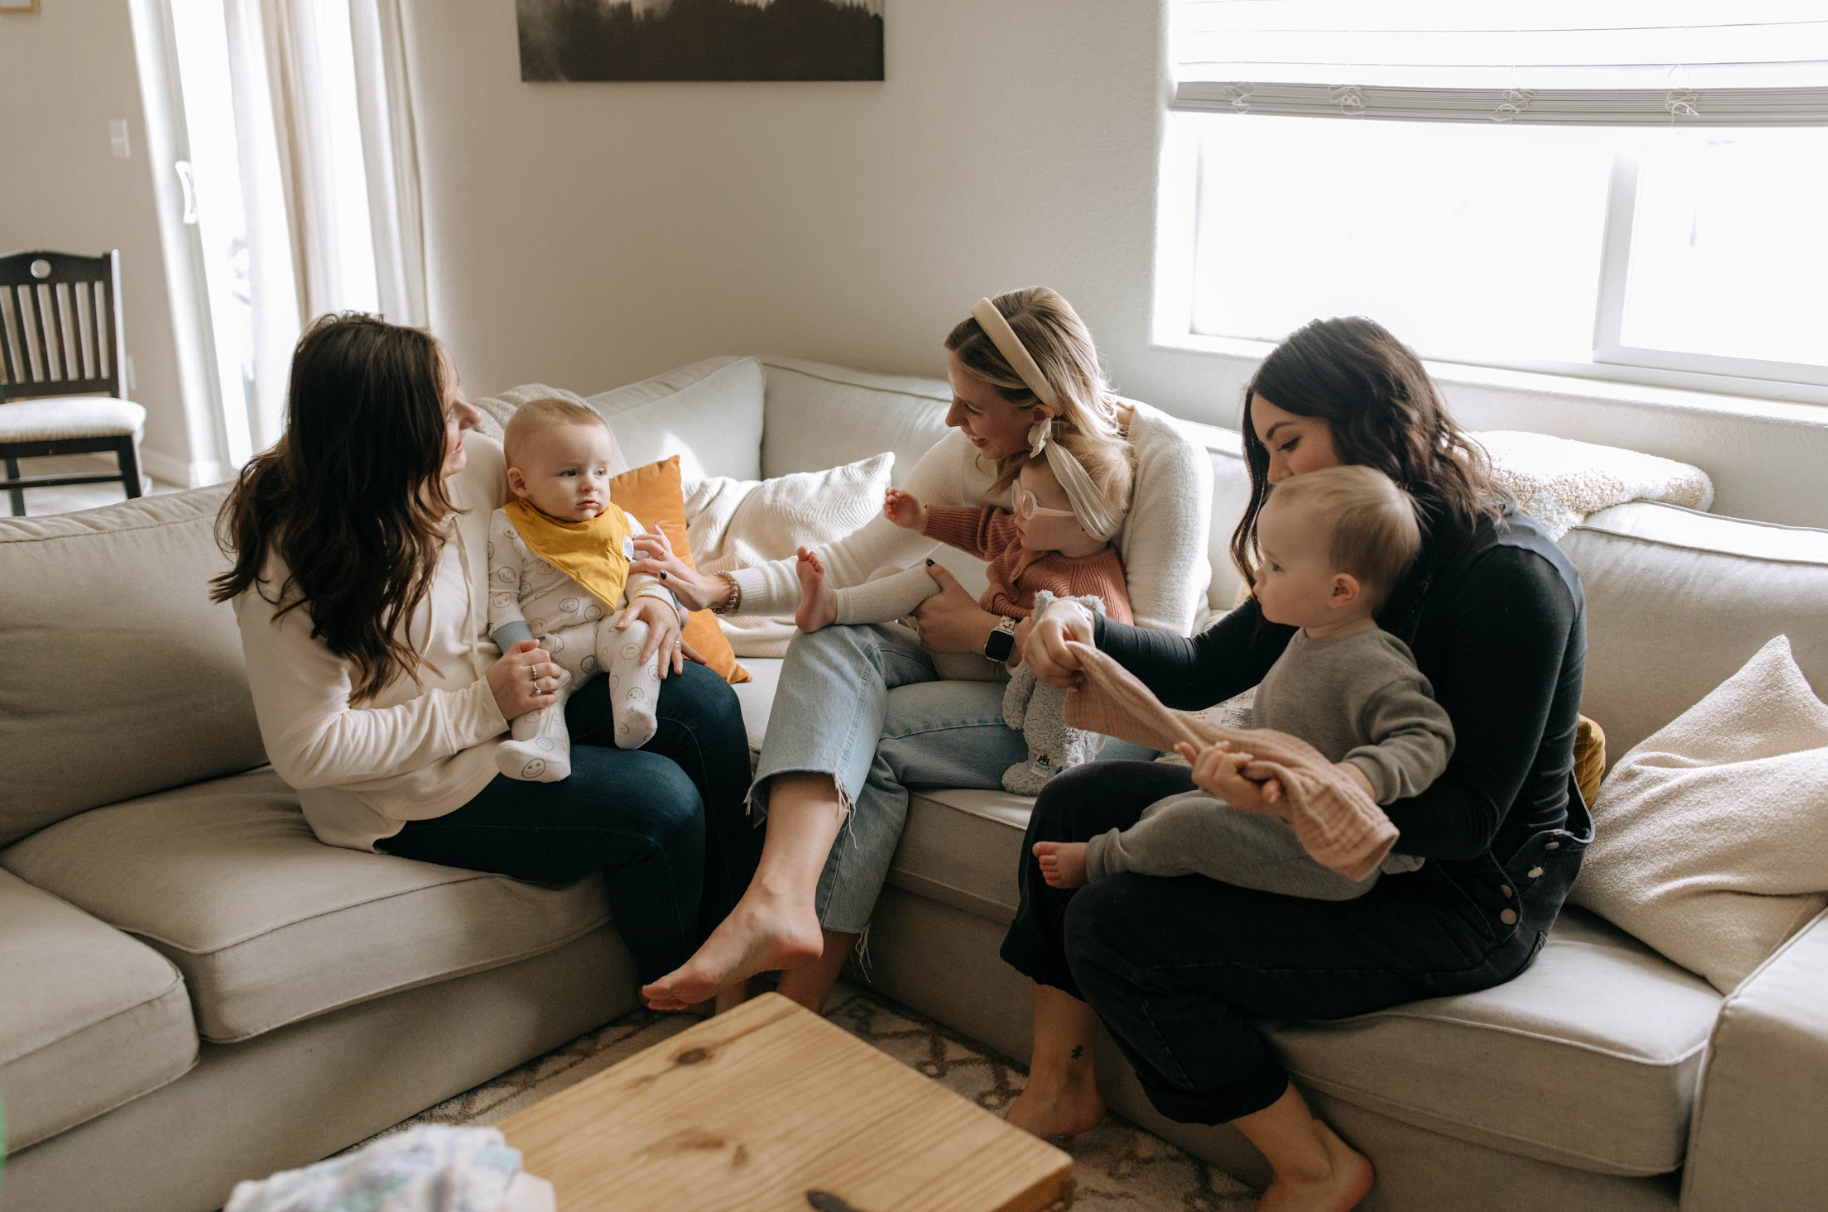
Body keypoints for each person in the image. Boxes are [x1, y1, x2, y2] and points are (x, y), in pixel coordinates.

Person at [1002, 316, 1588, 1212]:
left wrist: (1287, 801)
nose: (1274, 473)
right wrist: (1080, 625)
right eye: (1264, 449)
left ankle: (1315, 1168)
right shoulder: (1337, 541)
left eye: (1286, 444)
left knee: (1119, 921)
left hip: (1463, 890)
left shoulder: (1506, 576)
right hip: (1321, 827)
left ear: (1371, 421)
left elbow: (1472, 822)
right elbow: (1208, 668)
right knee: (1078, 803)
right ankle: (1060, 1089)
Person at [629, 288, 1214, 1013]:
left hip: (1089, 714)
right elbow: (844, 564)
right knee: (830, 631)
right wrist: (713, 588)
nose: (950, 420)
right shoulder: (985, 447)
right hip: (975, 654)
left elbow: (1155, 664)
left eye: (970, 405)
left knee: (867, 740)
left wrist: (989, 636)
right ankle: (774, 902)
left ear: (1038, 408)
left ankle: (783, 1011)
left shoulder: (1161, 460)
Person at [212, 313, 759, 996]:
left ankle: (746, 951)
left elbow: (604, 528)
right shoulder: (294, 565)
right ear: (388, 434)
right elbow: (307, 751)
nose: (472, 417)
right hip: (411, 786)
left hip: (531, 699)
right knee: (660, 800)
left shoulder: (478, 467)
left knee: (703, 701)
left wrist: (652, 595)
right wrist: (485, 703)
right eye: (446, 411)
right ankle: (684, 997)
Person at [1033, 464, 1450, 898]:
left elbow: (1427, 736)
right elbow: (1202, 668)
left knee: (1188, 823)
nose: (1258, 578)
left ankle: (1103, 858)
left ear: (1339, 591)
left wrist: (1356, 777)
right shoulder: (1309, 635)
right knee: (1174, 806)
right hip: (1277, 814)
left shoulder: (1375, 662)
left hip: (1327, 851)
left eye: (1276, 566)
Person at [488, 397, 682, 777]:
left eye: (601, 472)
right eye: (570, 473)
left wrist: (658, 597)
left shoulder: (619, 521)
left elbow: (645, 571)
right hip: (548, 652)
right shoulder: (509, 526)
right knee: (536, 697)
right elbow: (500, 597)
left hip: (608, 632)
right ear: (520, 482)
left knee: (638, 634)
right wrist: (522, 651)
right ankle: (545, 752)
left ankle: (634, 709)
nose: (590, 485)